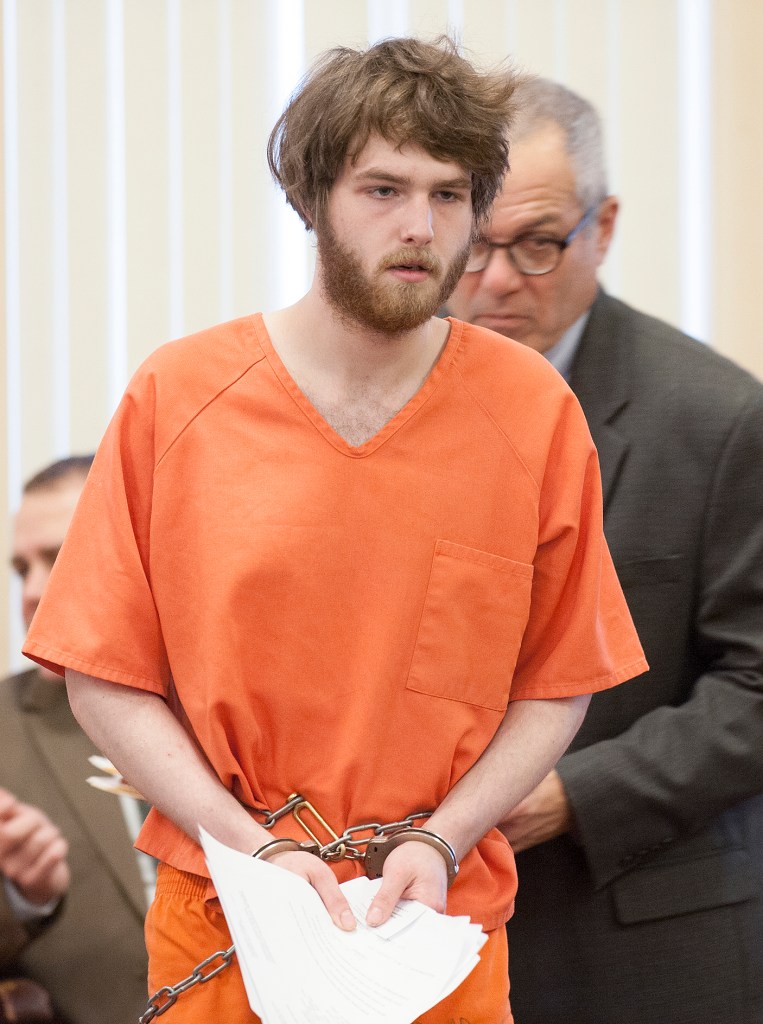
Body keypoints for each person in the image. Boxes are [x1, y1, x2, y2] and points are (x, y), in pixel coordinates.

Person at [23, 40, 647, 1024]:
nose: (418, 226)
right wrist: (248, 842)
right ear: (313, 198)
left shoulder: (533, 414)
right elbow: (104, 671)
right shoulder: (179, 396)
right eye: (383, 188)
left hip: (432, 921)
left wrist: (441, 837)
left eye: (448, 196)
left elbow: (557, 681)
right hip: (227, 911)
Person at [447, 76, 763, 1024]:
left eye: (537, 243)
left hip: (634, 941)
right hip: (415, 936)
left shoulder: (715, 418)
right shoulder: (382, 406)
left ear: (604, 225)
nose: (497, 279)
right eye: (474, 242)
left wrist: (569, 796)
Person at [1, 456, 149, 1024]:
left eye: (56, 557)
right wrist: (24, 898)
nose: (32, 592)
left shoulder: (239, 708)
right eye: (20, 569)